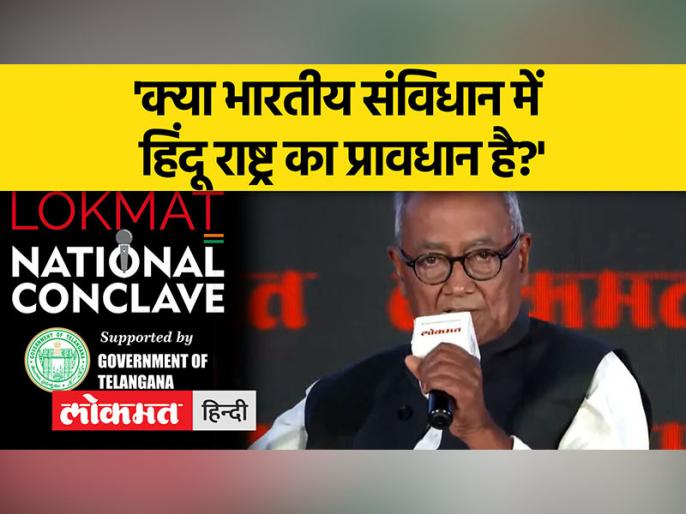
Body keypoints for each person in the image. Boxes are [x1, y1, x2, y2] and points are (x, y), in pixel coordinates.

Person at [251, 192, 651, 449]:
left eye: (483, 257)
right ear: (400, 271)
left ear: (522, 259)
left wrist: (481, 434)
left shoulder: (590, 379)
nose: (458, 285)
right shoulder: (335, 399)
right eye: (431, 261)